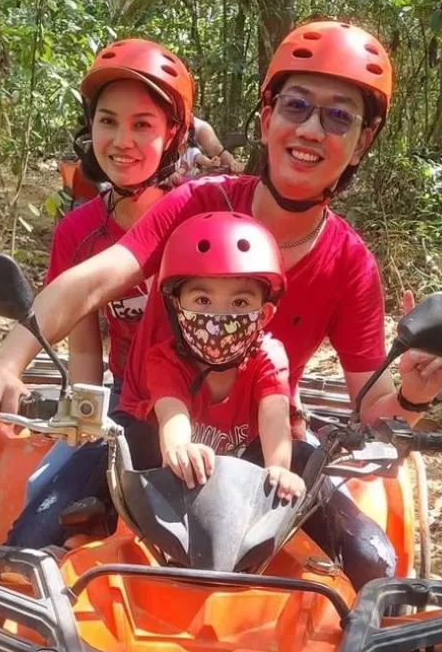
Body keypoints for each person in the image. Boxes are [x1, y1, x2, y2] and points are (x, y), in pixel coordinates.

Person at [0, 19, 442, 580]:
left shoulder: (351, 263)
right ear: (268, 119)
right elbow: (94, 280)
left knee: (376, 562)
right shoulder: (197, 203)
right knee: (29, 541)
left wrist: (412, 395)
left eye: (339, 116)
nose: (313, 129)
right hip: (144, 428)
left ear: (363, 140)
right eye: (297, 106)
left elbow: (373, 407)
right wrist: (7, 359)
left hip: (265, 445)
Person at [8, 37, 195, 547]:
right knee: (39, 517)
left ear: (173, 134)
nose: (121, 139)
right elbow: (86, 344)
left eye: (143, 125)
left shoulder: (204, 216)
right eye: (108, 121)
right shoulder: (80, 231)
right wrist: (83, 421)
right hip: (125, 406)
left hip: (211, 408)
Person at [118, 211, 303, 502]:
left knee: (307, 458)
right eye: (202, 300)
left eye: (240, 302)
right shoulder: (165, 360)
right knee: (120, 443)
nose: (219, 317)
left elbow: (275, 417)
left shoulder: (268, 356)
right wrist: (180, 448)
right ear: (178, 309)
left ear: (264, 315)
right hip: (164, 475)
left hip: (240, 477)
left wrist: (279, 470)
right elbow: (172, 415)